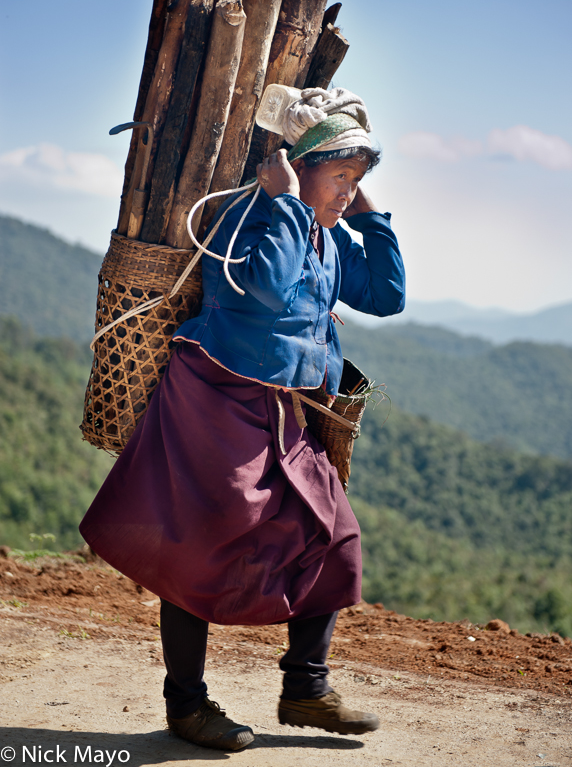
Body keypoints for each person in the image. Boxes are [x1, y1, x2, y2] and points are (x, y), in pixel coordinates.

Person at [80, 87, 405, 752]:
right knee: (200, 546)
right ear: (298, 168)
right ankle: (188, 706)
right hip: (214, 399)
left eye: (356, 180)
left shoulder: (327, 235)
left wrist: (370, 215)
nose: (347, 191)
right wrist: (287, 200)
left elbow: (388, 295)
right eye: (339, 176)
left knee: (334, 532)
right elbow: (263, 287)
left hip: (280, 410)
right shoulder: (255, 219)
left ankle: (306, 689)